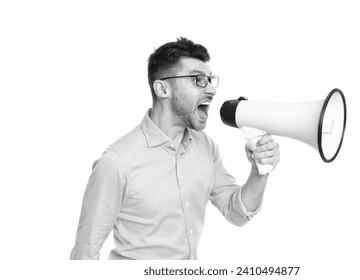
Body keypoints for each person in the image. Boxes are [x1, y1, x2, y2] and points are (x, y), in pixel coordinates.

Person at [70, 37, 280, 260]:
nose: (211, 89)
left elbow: (237, 214)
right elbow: (85, 253)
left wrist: (259, 171)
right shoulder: (117, 162)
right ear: (162, 89)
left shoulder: (206, 146)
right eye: (198, 79)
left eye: (210, 79)